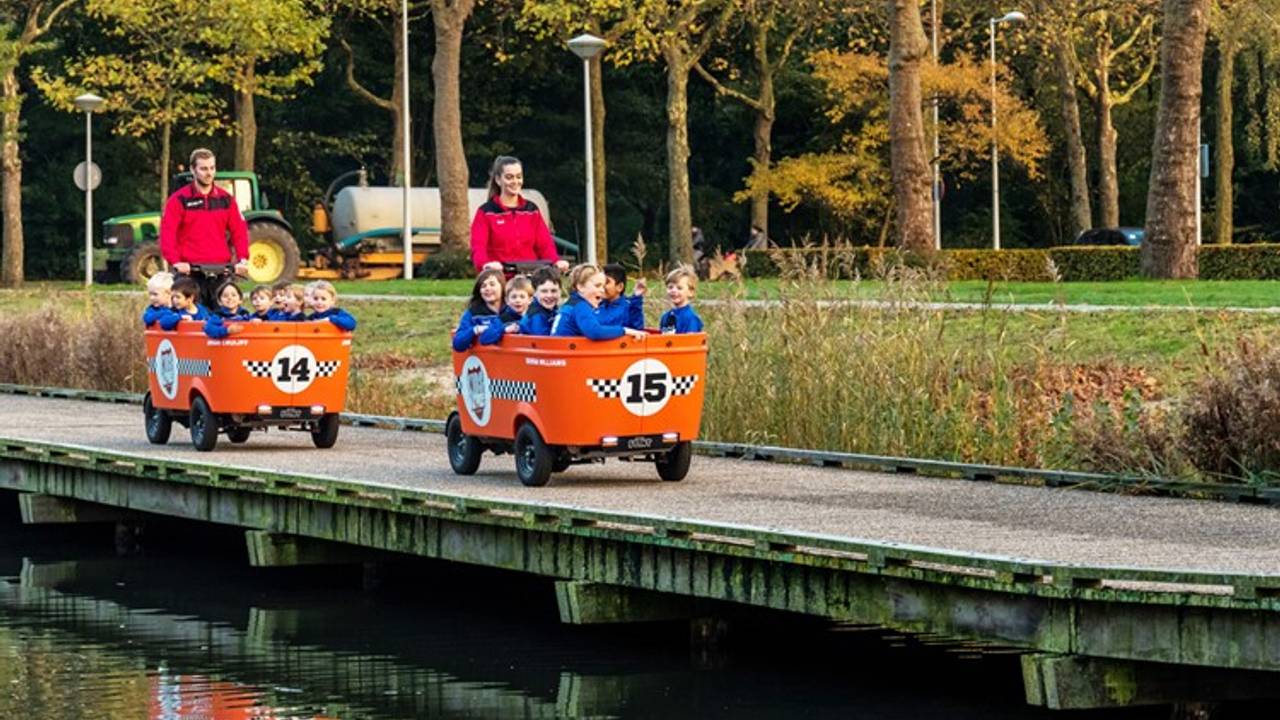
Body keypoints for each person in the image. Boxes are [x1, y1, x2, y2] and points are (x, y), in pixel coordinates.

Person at [159, 148, 250, 306]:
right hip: (189, 272)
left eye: (212, 168)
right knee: (190, 321)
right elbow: (168, 233)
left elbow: (239, 231)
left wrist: (243, 259)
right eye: (203, 168)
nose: (209, 173)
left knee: (225, 321)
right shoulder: (178, 200)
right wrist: (175, 261)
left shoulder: (226, 200)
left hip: (221, 271)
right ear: (192, 170)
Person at [470, 155, 570, 275]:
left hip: (530, 277)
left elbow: (545, 244)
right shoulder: (486, 212)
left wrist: (556, 261)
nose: (515, 182)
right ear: (498, 180)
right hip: (500, 277)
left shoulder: (531, 211)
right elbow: (478, 247)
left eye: (519, 177)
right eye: (509, 177)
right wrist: (485, 264)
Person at [552, 264, 647, 341]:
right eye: (597, 286)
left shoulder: (572, 303)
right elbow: (595, 331)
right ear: (580, 287)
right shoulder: (580, 306)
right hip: (565, 357)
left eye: (603, 285)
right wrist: (624, 330)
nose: (602, 290)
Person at [453, 268, 514, 351]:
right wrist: (475, 330)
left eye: (492, 284)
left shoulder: (513, 309)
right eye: (483, 286)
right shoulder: (473, 314)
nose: (487, 288)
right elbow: (458, 344)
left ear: (502, 286)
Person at [599, 263, 646, 330]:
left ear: (619, 287)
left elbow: (638, 330)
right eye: (600, 282)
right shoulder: (596, 306)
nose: (602, 286)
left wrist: (636, 299)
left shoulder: (629, 307)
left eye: (606, 282)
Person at [659, 266, 704, 334]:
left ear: (690, 292)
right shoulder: (665, 317)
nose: (673, 290)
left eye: (679, 288)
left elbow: (691, 342)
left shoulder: (691, 319)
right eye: (670, 287)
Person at [519, 266, 561, 336]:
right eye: (544, 291)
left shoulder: (554, 310)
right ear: (535, 292)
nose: (549, 295)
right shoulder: (536, 315)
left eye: (554, 291)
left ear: (560, 291)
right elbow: (543, 341)